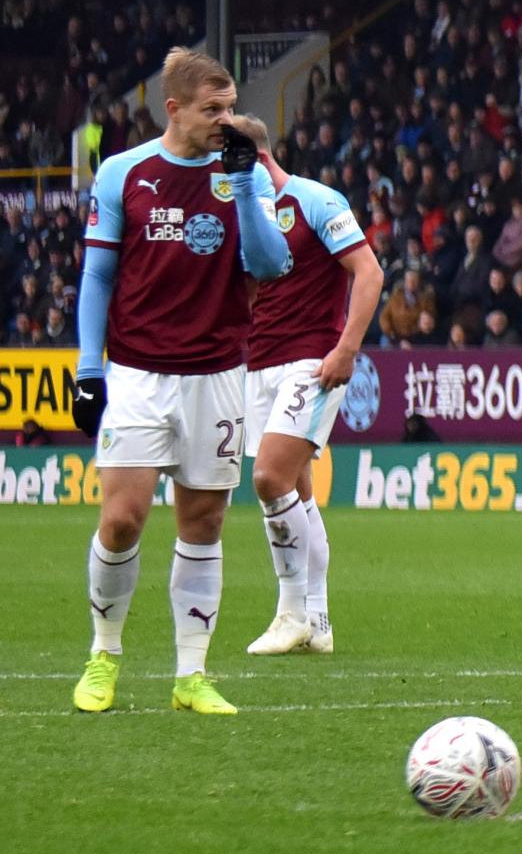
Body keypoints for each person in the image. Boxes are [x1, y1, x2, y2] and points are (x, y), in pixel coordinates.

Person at [70, 49, 292, 716]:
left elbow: (269, 262)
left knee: (204, 523)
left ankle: (190, 676)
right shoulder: (123, 174)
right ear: (174, 109)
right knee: (122, 518)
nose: (226, 121)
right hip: (139, 373)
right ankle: (103, 654)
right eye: (212, 111)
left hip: (218, 374)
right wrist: (88, 367)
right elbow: (98, 277)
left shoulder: (245, 175)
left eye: (230, 108)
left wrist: (249, 185)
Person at [226, 116, 383, 658]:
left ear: (253, 155)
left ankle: (290, 611)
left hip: (310, 362)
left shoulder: (316, 200)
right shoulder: (245, 213)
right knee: (299, 493)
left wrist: (346, 348)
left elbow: (369, 272)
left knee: (269, 478)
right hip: (258, 366)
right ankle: (318, 622)